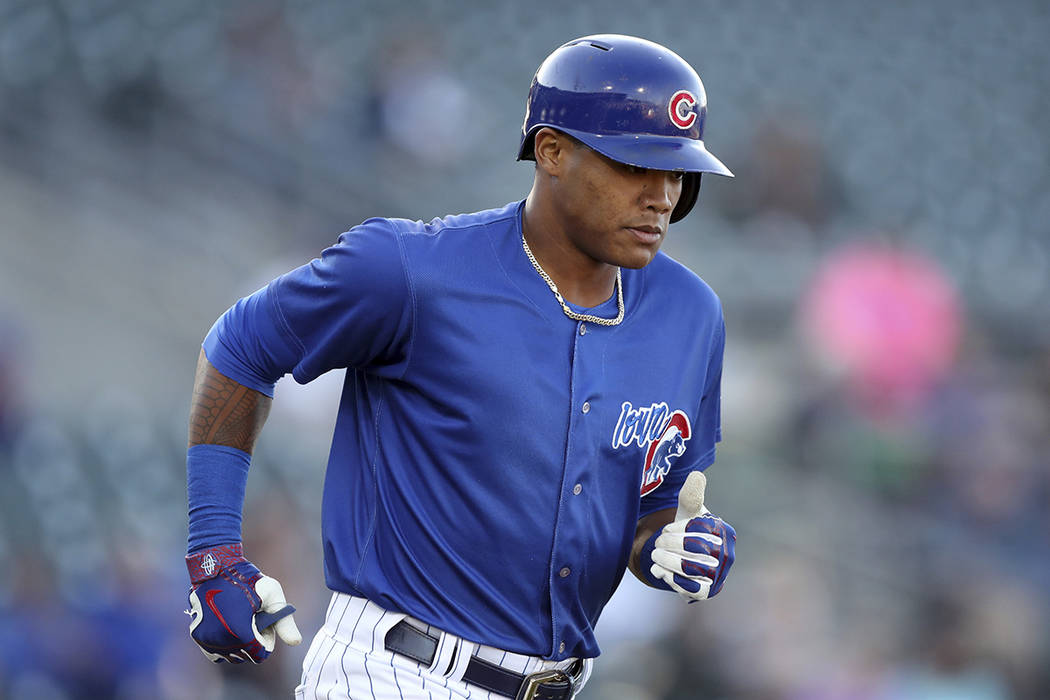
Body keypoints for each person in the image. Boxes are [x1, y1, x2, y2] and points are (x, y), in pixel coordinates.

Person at [184, 34, 737, 700]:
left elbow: (651, 507)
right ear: (552, 151)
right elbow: (240, 347)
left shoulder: (690, 315)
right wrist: (214, 555)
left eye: (679, 172)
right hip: (396, 672)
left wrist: (667, 547)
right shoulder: (409, 270)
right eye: (635, 166)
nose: (662, 196)